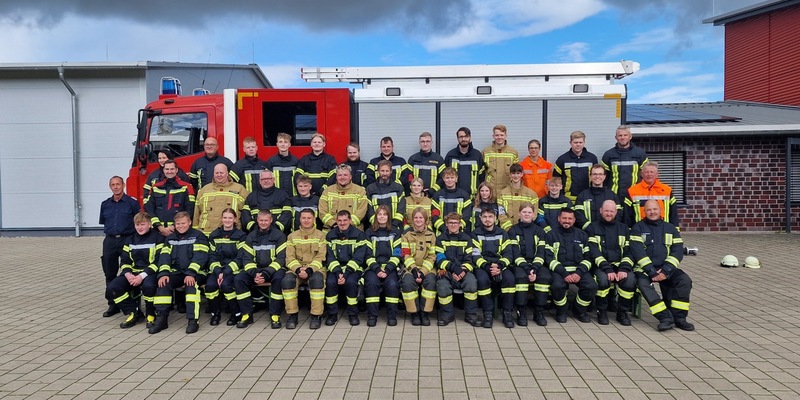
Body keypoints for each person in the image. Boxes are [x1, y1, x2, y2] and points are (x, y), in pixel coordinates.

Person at [629, 200, 694, 332]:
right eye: (649, 210)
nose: (652, 212)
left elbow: (677, 251)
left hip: (667, 268)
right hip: (644, 269)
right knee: (643, 285)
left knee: (684, 281)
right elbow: (638, 252)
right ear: (644, 212)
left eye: (655, 209)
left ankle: (679, 318)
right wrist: (652, 272)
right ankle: (665, 318)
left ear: (661, 210)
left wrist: (666, 270)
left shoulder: (671, 228)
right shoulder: (638, 228)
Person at [149, 211, 210, 334]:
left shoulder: (198, 236)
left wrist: (191, 273)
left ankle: (193, 320)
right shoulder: (170, 238)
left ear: (189, 222)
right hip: (177, 272)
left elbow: (201, 256)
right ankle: (161, 319)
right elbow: (164, 257)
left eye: (183, 223)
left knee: (191, 286)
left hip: (196, 272)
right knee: (163, 283)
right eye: (178, 224)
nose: (180, 226)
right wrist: (164, 273)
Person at [105, 211, 163, 328]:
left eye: (143, 224)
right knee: (113, 288)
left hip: (150, 273)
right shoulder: (130, 239)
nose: (139, 228)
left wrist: (141, 276)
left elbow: (158, 261)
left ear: (150, 224)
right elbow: (125, 261)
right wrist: (128, 275)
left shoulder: (158, 238)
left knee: (149, 287)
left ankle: (151, 314)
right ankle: (134, 312)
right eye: (137, 225)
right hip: (132, 273)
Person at [585, 200, 637, 326]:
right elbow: (593, 252)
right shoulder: (592, 228)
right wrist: (607, 269)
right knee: (602, 280)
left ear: (616, 212)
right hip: (601, 266)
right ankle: (601, 311)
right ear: (601, 211)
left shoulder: (624, 228)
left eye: (611, 211)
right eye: (606, 211)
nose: (609, 213)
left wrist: (624, 268)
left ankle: (622, 312)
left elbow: (629, 251)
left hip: (620, 265)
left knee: (630, 280)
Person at [233, 211, 287, 329]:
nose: (263, 223)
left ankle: (275, 315)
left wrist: (266, 273)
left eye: (266, 220)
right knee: (239, 279)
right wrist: (255, 273)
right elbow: (246, 259)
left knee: (279, 279)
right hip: (255, 271)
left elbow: (281, 259)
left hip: (273, 270)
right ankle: (246, 314)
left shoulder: (279, 236)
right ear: (257, 221)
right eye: (261, 220)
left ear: (271, 220)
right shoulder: (251, 236)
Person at [544, 208, 597, 324]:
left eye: (569, 218)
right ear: (559, 218)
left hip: (579, 271)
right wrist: (564, 273)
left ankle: (579, 310)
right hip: (559, 270)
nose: (566, 221)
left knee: (591, 286)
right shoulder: (551, 235)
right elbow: (548, 258)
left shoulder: (582, 235)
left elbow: (588, 257)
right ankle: (562, 311)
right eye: (564, 218)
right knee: (557, 286)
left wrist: (579, 273)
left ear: (574, 220)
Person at [99, 176, 142, 317]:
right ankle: (113, 305)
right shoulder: (105, 204)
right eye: (113, 184)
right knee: (109, 273)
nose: (116, 187)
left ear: (123, 185)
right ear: (110, 186)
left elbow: (139, 222)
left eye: (118, 184)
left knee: (129, 271)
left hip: (127, 240)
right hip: (110, 241)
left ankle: (132, 304)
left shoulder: (132, 203)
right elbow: (104, 222)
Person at [471, 207, 516, 328]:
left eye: (490, 217)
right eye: (484, 217)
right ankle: (488, 313)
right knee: (482, 280)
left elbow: (508, 254)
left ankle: (507, 313)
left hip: (500, 265)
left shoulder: (503, 233)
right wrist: (488, 267)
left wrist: (500, 266)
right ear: (480, 218)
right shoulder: (475, 234)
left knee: (510, 280)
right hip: (483, 266)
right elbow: (475, 255)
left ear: (495, 218)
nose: (487, 220)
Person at [283, 208, 327, 329]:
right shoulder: (292, 236)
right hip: (296, 269)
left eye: (309, 218)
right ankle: (292, 315)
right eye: (303, 218)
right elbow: (289, 257)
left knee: (317, 280)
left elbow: (321, 257)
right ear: (299, 219)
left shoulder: (321, 235)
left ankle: (316, 316)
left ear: (313, 219)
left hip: (315, 269)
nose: (306, 220)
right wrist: (298, 270)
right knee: (287, 281)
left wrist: (309, 270)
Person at [508, 203, 551, 326]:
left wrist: (535, 269)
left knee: (544, 277)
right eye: (524, 212)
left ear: (534, 215)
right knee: (521, 278)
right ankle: (521, 311)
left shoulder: (539, 231)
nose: (527, 214)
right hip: (519, 264)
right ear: (519, 213)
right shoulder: (513, 230)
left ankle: (539, 312)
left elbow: (541, 252)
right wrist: (528, 270)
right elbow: (515, 253)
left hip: (536, 264)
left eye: (529, 212)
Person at [434, 213, 481, 327]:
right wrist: (454, 269)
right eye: (450, 223)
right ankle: (447, 314)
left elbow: (469, 260)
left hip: (464, 271)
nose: (453, 225)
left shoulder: (467, 239)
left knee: (471, 283)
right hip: (447, 271)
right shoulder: (440, 239)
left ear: (460, 224)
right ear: (446, 224)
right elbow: (440, 260)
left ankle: (471, 314)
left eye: (455, 223)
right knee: (442, 286)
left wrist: (462, 272)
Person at [324, 210, 368, 326]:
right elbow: (330, 257)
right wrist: (338, 272)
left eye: (345, 220)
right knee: (331, 282)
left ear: (350, 221)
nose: (342, 223)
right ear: (336, 221)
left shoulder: (359, 235)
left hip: (353, 269)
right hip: (336, 269)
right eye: (339, 221)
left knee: (351, 283)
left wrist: (346, 273)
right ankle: (332, 313)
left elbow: (359, 258)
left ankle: (353, 314)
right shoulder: (330, 235)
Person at [205, 208, 247, 326]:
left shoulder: (241, 235)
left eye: (230, 218)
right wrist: (218, 271)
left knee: (226, 285)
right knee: (210, 286)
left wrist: (226, 271)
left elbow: (240, 258)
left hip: (234, 269)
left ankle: (235, 314)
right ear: (221, 219)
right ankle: (215, 314)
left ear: (235, 219)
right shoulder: (214, 235)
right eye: (225, 218)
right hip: (217, 269)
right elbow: (211, 256)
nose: (227, 220)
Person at [363, 205, 402, 326]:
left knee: (392, 284)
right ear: (376, 217)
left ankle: (391, 316)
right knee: (371, 284)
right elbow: (367, 255)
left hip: (390, 267)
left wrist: (388, 269)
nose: (382, 217)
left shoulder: (396, 232)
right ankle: (372, 316)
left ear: (388, 217)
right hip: (373, 267)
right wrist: (377, 269)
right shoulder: (369, 233)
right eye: (379, 214)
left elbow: (398, 254)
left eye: (385, 214)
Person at [400, 207, 438, 326]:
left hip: (428, 268)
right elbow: (405, 255)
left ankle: (425, 313)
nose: (418, 220)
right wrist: (415, 270)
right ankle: (414, 313)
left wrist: (422, 272)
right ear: (412, 220)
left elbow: (432, 256)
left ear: (425, 220)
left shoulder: (431, 235)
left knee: (430, 282)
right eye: (415, 217)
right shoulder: (406, 235)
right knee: (407, 282)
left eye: (421, 217)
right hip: (410, 267)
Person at [193, 163, 249, 235]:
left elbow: (246, 212)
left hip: (231, 234)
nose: (219, 175)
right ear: (213, 174)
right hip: (206, 234)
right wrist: (195, 232)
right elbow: (197, 213)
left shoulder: (239, 189)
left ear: (227, 173)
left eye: (221, 173)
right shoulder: (204, 190)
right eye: (217, 173)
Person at [144, 160, 196, 237]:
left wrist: (174, 226)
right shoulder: (155, 187)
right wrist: (159, 226)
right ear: (163, 170)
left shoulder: (186, 187)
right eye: (167, 169)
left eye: (172, 169)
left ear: (176, 170)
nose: (169, 171)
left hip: (179, 230)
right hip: (158, 231)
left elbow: (190, 209)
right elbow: (149, 208)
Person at [625, 161, 679, 228]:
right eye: (646, 172)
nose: (649, 174)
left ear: (657, 174)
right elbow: (627, 215)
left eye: (652, 172)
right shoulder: (632, 191)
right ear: (641, 174)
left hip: (663, 229)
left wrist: (675, 231)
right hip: (640, 229)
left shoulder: (667, 190)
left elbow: (673, 214)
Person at [602, 125, 648, 199]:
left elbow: (646, 175)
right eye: (620, 135)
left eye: (625, 135)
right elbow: (603, 178)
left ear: (630, 136)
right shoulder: (608, 155)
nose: (623, 137)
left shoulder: (640, 153)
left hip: (635, 195)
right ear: (616, 138)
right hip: (614, 196)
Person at [319, 164, 369, 230]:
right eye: (339, 175)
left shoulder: (360, 191)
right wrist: (333, 224)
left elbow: (361, 211)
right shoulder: (327, 191)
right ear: (336, 177)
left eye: (345, 175)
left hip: (354, 232)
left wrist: (348, 224)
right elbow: (322, 211)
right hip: (330, 231)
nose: (342, 177)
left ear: (350, 176)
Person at [554, 130, 598, 202]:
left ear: (584, 143)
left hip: (588, 197)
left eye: (580, 142)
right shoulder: (562, 159)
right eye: (575, 142)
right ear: (570, 143)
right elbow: (556, 180)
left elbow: (598, 178)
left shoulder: (592, 158)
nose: (578, 144)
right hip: (568, 199)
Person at [574, 164, 622, 230]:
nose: (597, 176)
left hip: (608, 232)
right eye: (594, 174)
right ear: (590, 176)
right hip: (588, 232)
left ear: (604, 176)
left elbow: (618, 214)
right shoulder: (582, 196)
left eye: (600, 174)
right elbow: (578, 215)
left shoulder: (612, 195)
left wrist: (610, 227)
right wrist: (590, 228)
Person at [443, 127, 484, 198]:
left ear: (470, 138)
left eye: (466, 136)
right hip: (454, 197)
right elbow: (444, 177)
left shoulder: (477, 155)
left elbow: (482, 177)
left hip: (473, 198)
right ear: (457, 138)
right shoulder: (451, 155)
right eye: (461, 137)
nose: (463, 139)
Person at [366, 159, 406, 230]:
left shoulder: (398, 188)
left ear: (391, 172)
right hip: (376, 228)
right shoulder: (370, 189)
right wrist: (376, 224)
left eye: (387, 171)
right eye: (382, 171)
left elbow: (401, 209)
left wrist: (394, 225)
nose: (384, 173)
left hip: (395, 227)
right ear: (378, 171)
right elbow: (369, 210)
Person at [431, 167, 473, 235]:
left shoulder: (464, 195)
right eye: (447, 178)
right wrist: (444, 229)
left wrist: (457, 228)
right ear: (443, 179)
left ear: (456, 179)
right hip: (441, 234)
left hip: (460, 234)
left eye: (452, 177)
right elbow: (434, 216)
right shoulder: (437, 195)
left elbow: (467, 215)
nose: (449, 180)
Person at [498, 163, 538, 230]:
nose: (516, 176)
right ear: (510, 175)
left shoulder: (531, 194)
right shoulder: (502, 194)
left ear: (522, 174)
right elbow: (501, 214)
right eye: (513, 173)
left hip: (525, 230)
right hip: (508, 230)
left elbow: (534, 213)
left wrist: (525, 227)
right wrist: (509, 229)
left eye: (518, 173)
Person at [482, 124, 519, 191]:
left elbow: (516, 173)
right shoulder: (486, 152)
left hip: (507, 190)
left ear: (506, 136)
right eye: (497, 135)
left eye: (501, 135)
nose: (499, 137)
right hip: (490, 189)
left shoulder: (513, 152)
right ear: (493, 136)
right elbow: (481, 173)